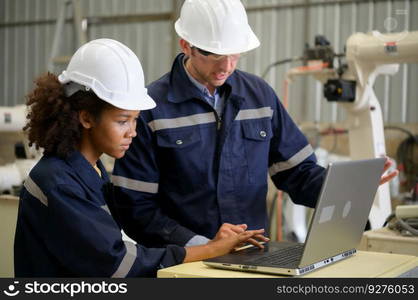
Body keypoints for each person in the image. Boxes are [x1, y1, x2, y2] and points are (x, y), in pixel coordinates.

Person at [112, 0, 398, 248]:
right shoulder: (151, 107)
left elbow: (298, 174)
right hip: (184, 264)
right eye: (213, 54)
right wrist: (202, 245)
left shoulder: (259, 97)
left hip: (254, 256)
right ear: (187, 45)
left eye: (235, 53)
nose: (226, 66)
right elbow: (134, 207)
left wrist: (350, 185)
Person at [14, 38, 266, 277]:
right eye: (123, 121)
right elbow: (117, 265)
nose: (133, 132)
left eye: (135, 120)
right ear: (87, 118)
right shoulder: (60, 183)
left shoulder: (92, 170)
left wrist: (210, 245)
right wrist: (211, 250)